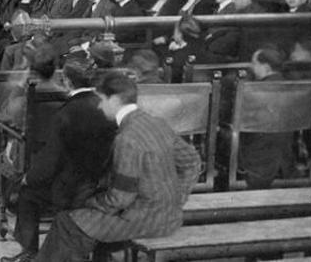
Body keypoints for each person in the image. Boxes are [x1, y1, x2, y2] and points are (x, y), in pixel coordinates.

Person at [36, 71, 201, 262]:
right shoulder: (156, 123)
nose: (99, 105)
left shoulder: (127, 138)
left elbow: (121, 198)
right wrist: (177, 197)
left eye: (102, 100)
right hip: (170, 217)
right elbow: (192, 161)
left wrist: (91, 202)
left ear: (114, 99)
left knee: (67, 223)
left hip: (143, 220)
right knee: (77, 220)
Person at [3, 57, 115, 262]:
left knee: (26, 192)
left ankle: (29, 252)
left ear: (67, 81)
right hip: (104, 186)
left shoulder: (66, 112)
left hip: (73, 191)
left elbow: (50, 160)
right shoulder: (109, 108)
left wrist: (29, 178)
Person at [237, 47, 294, 189]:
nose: (251, 67)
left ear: (266, 67)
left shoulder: (254, 90)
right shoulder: (293, 86)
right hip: (285, 153)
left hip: (257, 154)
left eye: (254, 63)